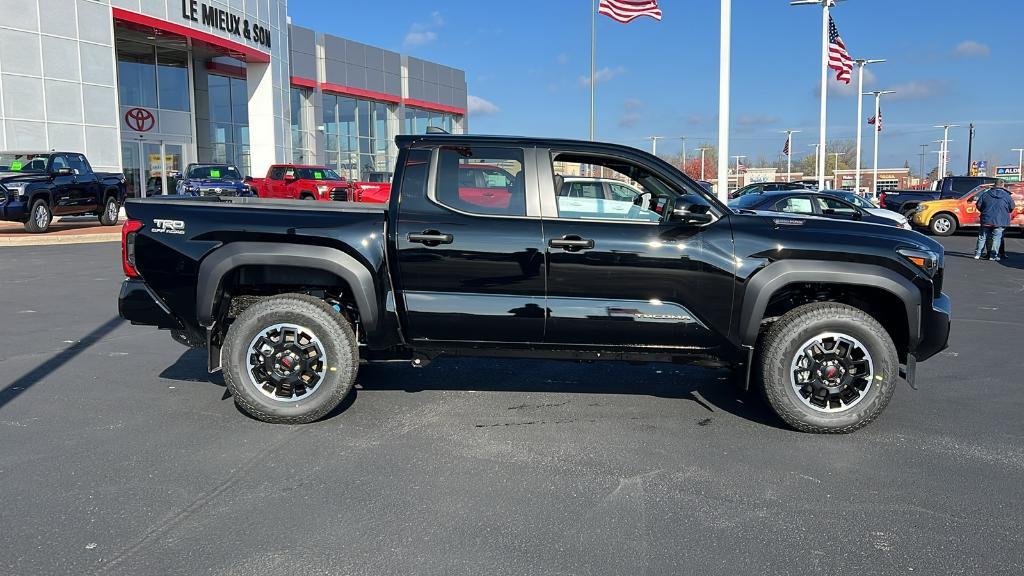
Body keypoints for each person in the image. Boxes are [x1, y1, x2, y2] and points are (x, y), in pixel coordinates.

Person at [974, 185, 1016, 261]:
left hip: (986, 219)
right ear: (1002, 187)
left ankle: (977, 254)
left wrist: (984, 211)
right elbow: (1012, 207)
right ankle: (993, 256)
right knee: (996, 238)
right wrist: (1006, 212)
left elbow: (978, 205)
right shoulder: (1007, 196)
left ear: (994, 186)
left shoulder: (985, 194)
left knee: (982, 237)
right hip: (1000, 220)